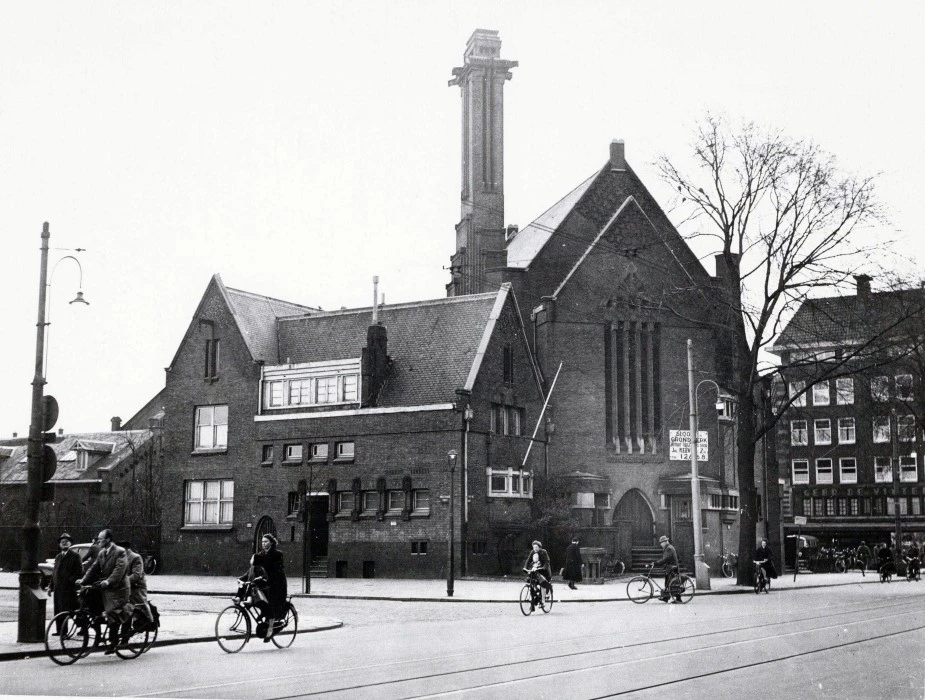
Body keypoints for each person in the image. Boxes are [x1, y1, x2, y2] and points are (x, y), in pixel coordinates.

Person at [80, 529, 131, 654]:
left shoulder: (120, 552)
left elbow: (119, 570)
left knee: (110, 611)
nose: (98, 540)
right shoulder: (102, 553)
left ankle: (113, 642)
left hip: (118, 588)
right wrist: (83, 580)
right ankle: (98, 636)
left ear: (108, 539)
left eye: (100, 538)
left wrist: (108, 581)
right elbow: (94, 568)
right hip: (105, 586)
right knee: (91, 606)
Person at [252, 534, 287, 642]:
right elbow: (253, 569)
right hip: (265, 583)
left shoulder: (277, 554)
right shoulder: (260, 554)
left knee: (271, 602)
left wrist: (265, 578)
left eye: (266, 541)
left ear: (271, 543)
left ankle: (270, 629)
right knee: (252, 591)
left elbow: (277, 571)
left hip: (277, 585)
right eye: (262, 542)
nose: (263, 544)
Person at [48, 533, 84, 634]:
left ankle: (82, 627)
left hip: (69, 589)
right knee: (58, 610)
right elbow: (54, 572)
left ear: (70, 543)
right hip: (58, 589)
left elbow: (79, 572)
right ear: (59, 544)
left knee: (70, 610)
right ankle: (60, 631)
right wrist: (50, 587)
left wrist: (69, 581)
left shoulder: (75, 556)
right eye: (62, 542)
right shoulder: (58, 557)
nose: (64, 543)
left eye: (66, 541)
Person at [119, 541, 153, 626]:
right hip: (123, 587)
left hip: (136, 587)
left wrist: (123, 581)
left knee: (132, 607)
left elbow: (136, 575)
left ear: (125, 548)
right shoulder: (119, 557)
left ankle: (149, 621)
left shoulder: (135, 557)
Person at [523, 540, 552, 606]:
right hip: (536, 570)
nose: (535, 549)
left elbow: (547, 562)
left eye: (536, 547)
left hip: (545, 571)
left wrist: (543, 568)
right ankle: (536, 591)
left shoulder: (544, 552)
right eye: (533, 547)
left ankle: (543, 601)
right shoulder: (532, 552)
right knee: (531, 580)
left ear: (539, 547)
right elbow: (528, 560)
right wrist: (525, 567)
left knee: (542, 584)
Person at [654, 535, 680, 602]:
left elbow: (666, 559)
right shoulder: (668, 547)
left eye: (661, 543)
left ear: (665, 542)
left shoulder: (668, 548)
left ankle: (678, 599)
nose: (661, 545)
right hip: (670, 568)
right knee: (668, 583)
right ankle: (666, 597)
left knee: (673, 584)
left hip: (672, 568)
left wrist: (657, 563)